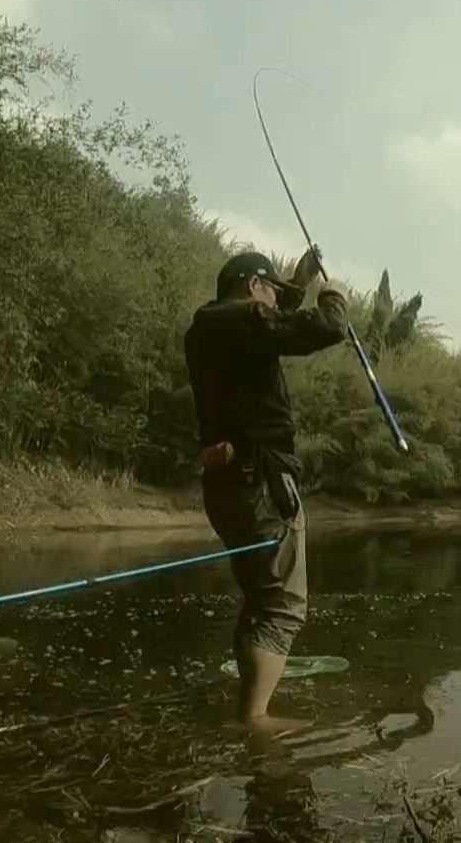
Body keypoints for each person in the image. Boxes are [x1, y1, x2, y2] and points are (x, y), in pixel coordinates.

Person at [184, 246, 347, 737]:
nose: (277, 301)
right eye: (272, 290)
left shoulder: (207, 330)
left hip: (226, 487)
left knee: (260, 599)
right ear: (253, 286)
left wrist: (296, 281)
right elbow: (320, 329)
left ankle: (249, 709)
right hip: (263, 487)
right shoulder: (245, 321)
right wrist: (334, 300)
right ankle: (256, 718)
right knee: (281, 606)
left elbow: (270, 323)